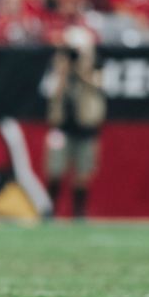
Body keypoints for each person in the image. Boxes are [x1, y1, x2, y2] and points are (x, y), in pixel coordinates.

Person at [44, 25, 106, 219]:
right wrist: (62, 70)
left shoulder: (95, 66)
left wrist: (82, 68)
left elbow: (99, 85)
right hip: (61, 127)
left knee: (83, 173)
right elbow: (50, 92)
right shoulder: (57, 67)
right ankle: (51, 210)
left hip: (86, 126)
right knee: (55, 169)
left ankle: (79, 211)